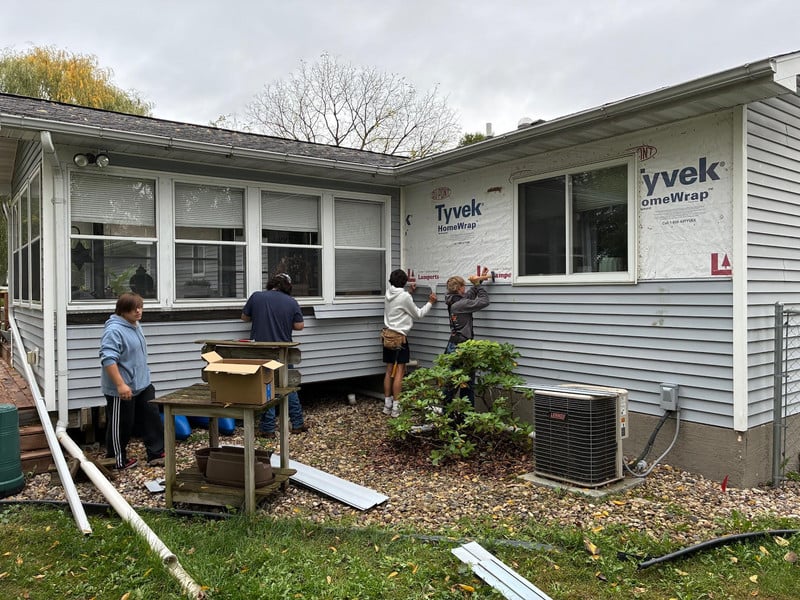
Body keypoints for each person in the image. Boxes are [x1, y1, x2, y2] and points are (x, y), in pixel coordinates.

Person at [100, 292, 165, 470]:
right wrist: (121, 385)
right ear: (122, 311)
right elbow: (108, 359)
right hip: (122, 388)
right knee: (121, 424)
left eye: (140, 307)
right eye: (133, 308)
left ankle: (157, 453)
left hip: (142, 384)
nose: (138, 311)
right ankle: (117, 460)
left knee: (151, 418)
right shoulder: (114, 331)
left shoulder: (135, 325)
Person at [241, 272, 307, 437]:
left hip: (260, 351)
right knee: (288, 386)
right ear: (288, 286)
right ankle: (297, 423)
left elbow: (244, 317)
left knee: (266, 386)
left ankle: (268, 428)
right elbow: (299, 326)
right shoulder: (291, 302)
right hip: (282, 351)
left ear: (271, 283)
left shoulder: (256, 297)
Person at [383, 269, 437, 417]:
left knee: (388, 370)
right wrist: (430, 302)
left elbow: (399, 305)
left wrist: (409, 293)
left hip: (387, 336)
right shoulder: (405, 296)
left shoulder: (388, 294)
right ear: (405, 282)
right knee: (399, 371)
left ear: (391, 281)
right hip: (400, 338)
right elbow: (418, 314)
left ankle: (387, 405)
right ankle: (396, 408)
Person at [443, 267, 491, 407]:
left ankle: (447, 413)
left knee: (453, 381)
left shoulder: (453, 300)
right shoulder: (461, 304)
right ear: (459, 288)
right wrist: (477, 285)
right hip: (462, 346)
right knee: (466, 382)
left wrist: (479, 282)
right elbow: (484, 301)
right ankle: (463, 414)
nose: (466, 288)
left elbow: (468, 296)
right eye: (464, 285)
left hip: (453, 345)